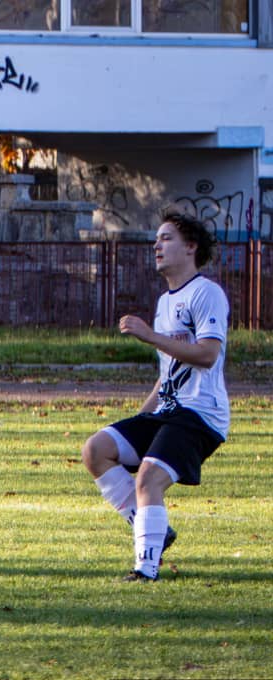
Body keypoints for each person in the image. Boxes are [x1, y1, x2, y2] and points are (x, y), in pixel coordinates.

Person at [81, 211, 229, 582]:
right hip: (168, 412)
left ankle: (145, 570)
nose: (156, 245)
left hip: (200, 416)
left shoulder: (206, 293)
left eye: (166, 238)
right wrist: (143, 417)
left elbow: (207, 355)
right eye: (157, 239)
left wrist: (150, 336)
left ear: (190, 247)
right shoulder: (165, 302)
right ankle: (154, 531)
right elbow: (168, 373)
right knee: (96, 450)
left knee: (148, 478)